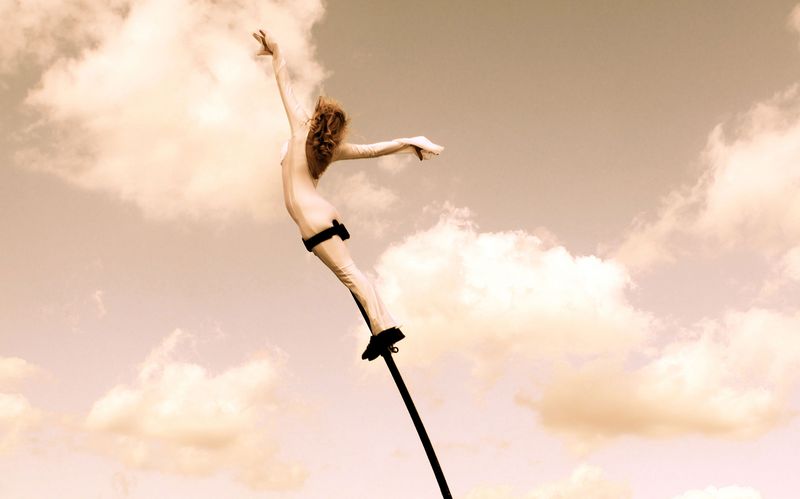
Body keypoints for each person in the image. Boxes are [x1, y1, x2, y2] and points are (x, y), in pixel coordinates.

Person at [253, 29, 443, 361]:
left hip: (311, 219)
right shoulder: (331, 150)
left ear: (315, 118)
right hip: (319, 214)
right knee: (352, 272)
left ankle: (384, 328)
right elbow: (375, 149)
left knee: (350, 274)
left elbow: (285, 83)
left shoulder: (300, 127)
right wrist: (410, 143)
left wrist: (276, 50)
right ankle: (384, 325)